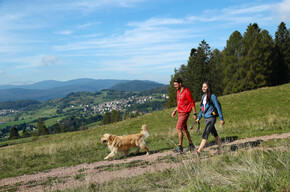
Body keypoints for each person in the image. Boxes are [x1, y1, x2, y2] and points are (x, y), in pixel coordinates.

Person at [196, 82, 225, 156]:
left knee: (205, 134)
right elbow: (201, 109)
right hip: (206, 118)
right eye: (202, 87)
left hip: (211, 118)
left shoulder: (212, 96)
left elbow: (218, 107)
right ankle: (221, 149)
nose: (203, 88)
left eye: (205, 87)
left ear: (208, 87)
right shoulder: (203, 97)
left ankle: (198, 151)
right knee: (214, 134)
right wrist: (199, 117)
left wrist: (221, 118)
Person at [171, 77, 197, 153]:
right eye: (174, 85)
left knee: (178, 128)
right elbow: (180, 104)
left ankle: (180, 147)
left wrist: (194, 113)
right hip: (180, 112)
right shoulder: (178, 92)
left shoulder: (186, 91)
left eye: (176, 84)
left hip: (185, 113)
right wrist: (175, 110)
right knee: (184, 129)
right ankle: (191, 144)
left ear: (180, 84)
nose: (175, 86)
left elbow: (192, 102)